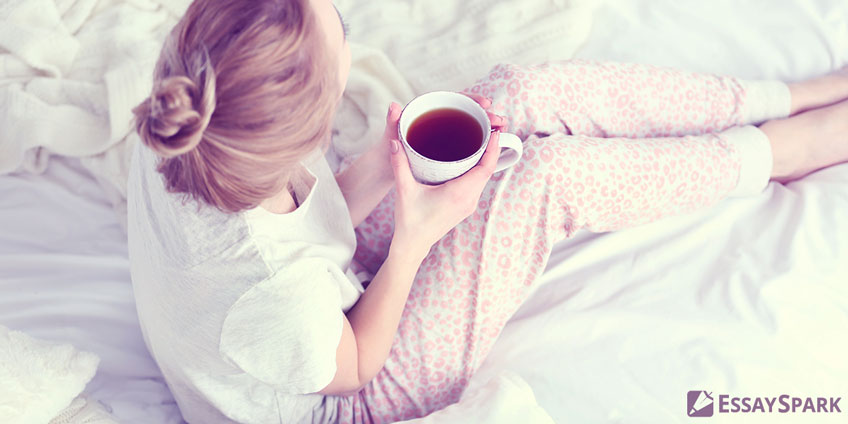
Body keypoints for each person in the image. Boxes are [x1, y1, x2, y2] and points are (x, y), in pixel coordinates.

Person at [126, 0, 848, 422]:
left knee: (512, 94)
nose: (347, 25)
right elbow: (354, 363)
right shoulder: (265, 292)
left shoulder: (190, 108)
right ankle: (773, 153)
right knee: (546, 180)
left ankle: (782, 97)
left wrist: (381, 167)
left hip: (310, 308)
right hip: (348, 391)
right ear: (307, 130)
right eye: (340, 26)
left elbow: (302, 228)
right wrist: (413, 239)